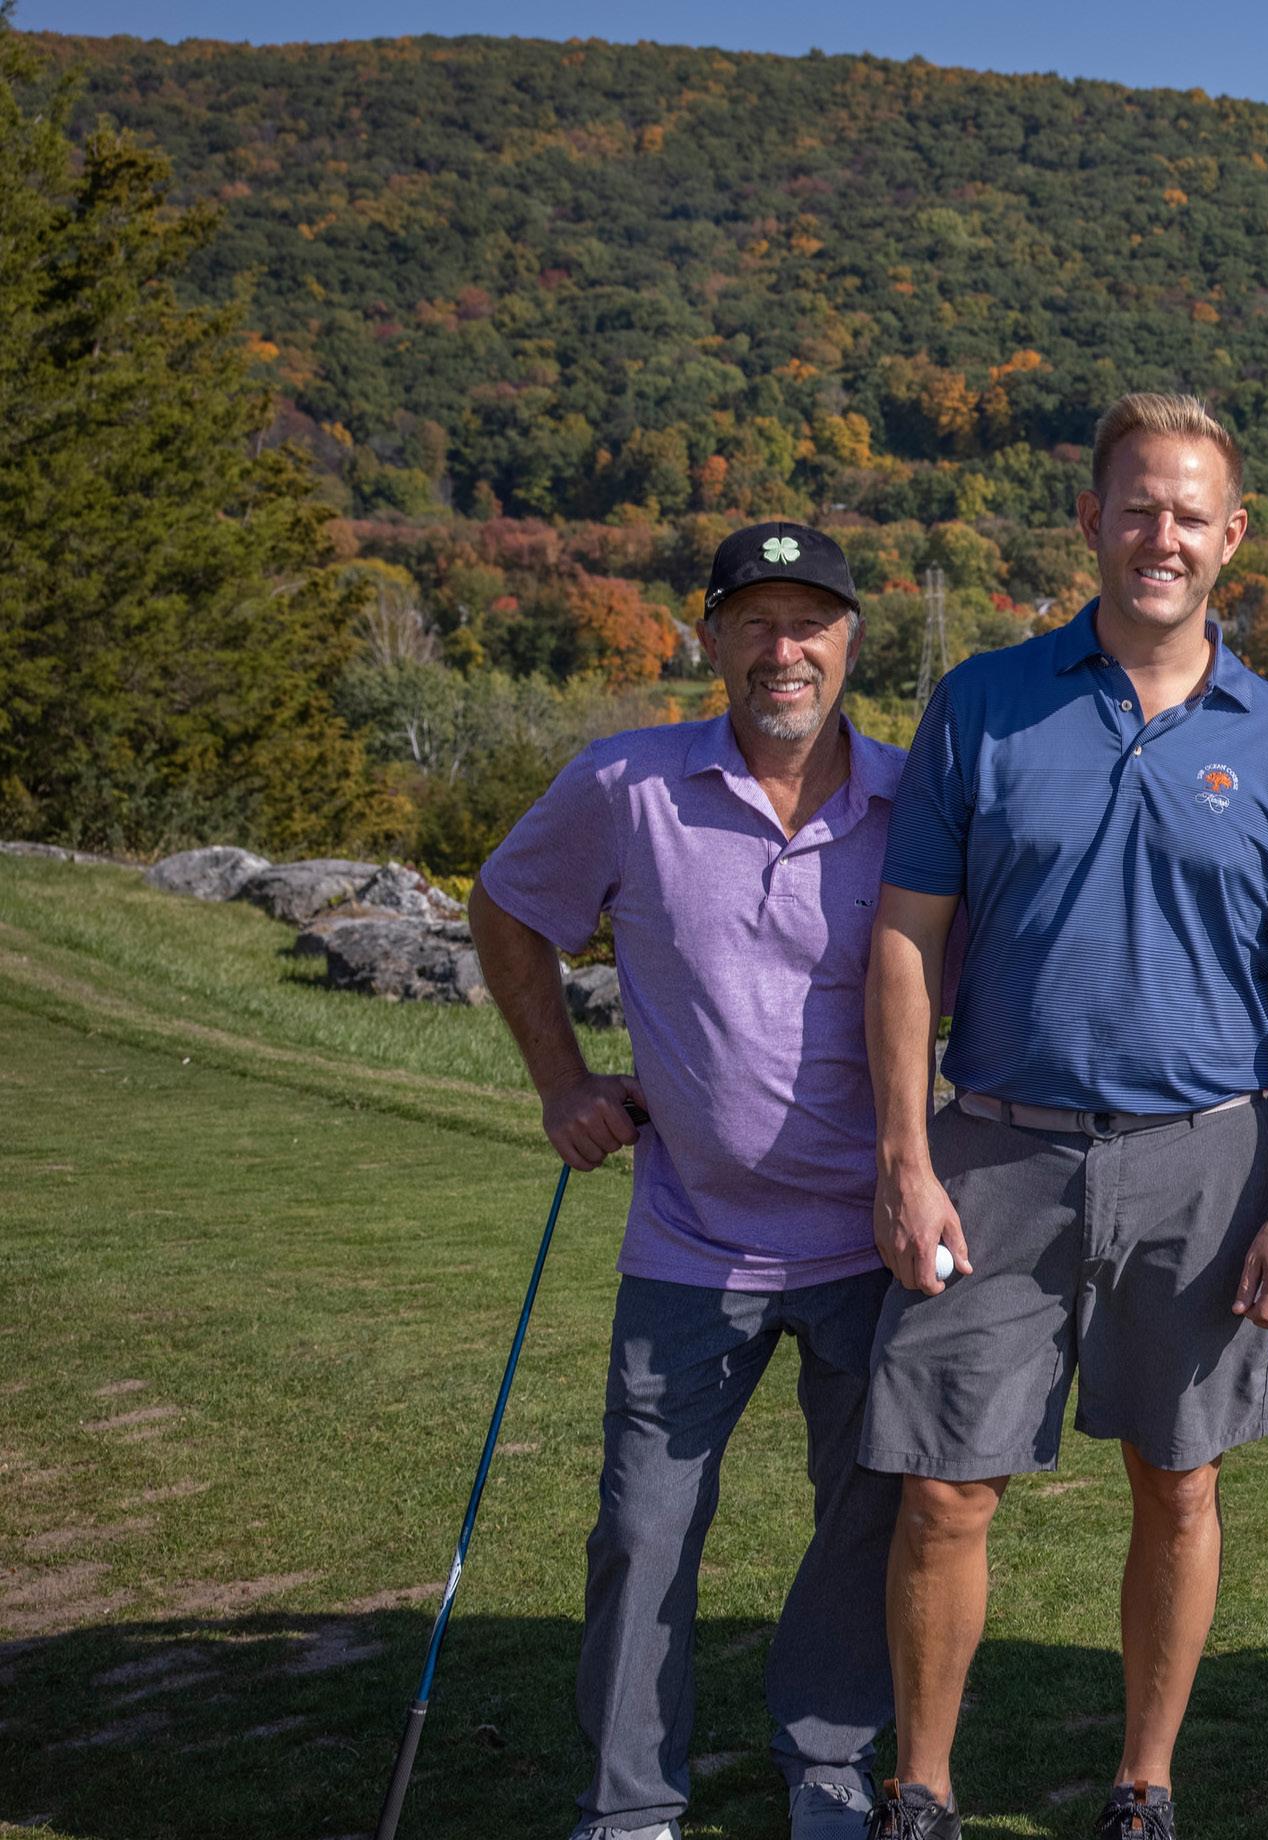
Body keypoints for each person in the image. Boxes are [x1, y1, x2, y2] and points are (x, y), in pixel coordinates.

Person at [858, 394, 1268, 1840]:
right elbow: (905, 939)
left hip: (1207, 1160)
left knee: (1180, 1483)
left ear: (1233, 537)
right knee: (945, 1490)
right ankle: (921, 1788)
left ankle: (1145, 1784)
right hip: (996, 1149)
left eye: (1190, 515)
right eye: (1136, 508)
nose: (1162, 537)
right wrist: (906, 1156)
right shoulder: (984, 701)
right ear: (1090, 521)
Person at [468, 520, 905, 1840]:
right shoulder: (626, 784)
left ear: (850, 641)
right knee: (642, 1530)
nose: (785, 650)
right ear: (709, 636)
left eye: (810, 622)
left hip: (870, 1243)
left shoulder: (913, 799)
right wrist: (562, 1083)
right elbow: (507, 907)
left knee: (868, 1521)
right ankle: (631, 1803)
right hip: (690, 1240)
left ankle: (828, 1760)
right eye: (755, 622)